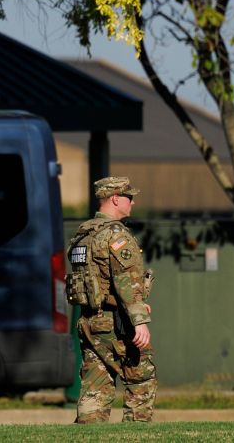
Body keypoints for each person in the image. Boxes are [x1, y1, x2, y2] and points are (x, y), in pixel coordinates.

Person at [66, 176, 156, 423]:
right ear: (115, 199)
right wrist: (139, 320)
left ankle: (88, 434)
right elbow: (126, 281)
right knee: (141, 378)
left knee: (95, 385)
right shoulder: (115, 235)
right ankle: (136, 434)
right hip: (116, 323)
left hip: (90, 322)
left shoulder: (83, 234)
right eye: (129, 197)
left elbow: (96, 279)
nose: (133, 202)